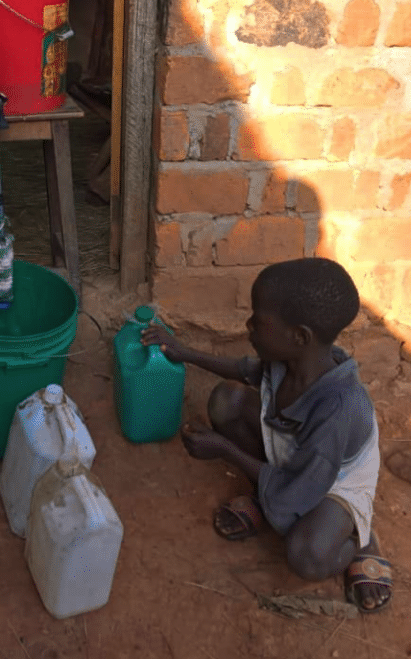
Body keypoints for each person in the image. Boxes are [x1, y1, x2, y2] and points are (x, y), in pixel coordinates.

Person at [142, 258, 392, 614]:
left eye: (259, 322)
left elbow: (302, 485)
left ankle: (359, 540)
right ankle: (266, 496)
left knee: (306, 555)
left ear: (299, 336)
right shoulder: (293, 360)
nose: (248, 327)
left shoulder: (337, 410)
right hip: (296, 454)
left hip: (333, 478)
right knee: (226, 399)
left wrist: (225, 449)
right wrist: (184, 352)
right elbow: (244, 371)